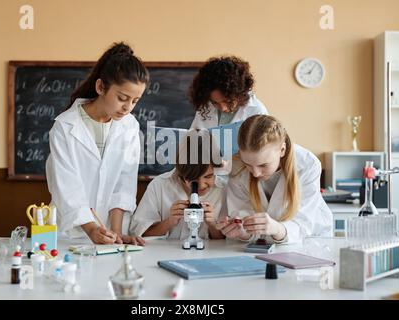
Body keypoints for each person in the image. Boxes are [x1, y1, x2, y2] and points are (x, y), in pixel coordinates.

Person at [46, 42, 149, 245]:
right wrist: (92, 229)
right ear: (101, 87)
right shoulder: (65, 127)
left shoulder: (129, 126)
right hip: (69, 234)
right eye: (122, 98)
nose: (127, 107)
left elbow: (124, 184)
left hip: (109, 232)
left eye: (135, 101)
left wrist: (116, 232)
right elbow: (67, 187)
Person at [217, 115, 332, 243]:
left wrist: (277, 229)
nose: (255, 173)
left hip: (312, 241)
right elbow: (244, 217)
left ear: (282, 150)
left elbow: (303, 224)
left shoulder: (307, 164)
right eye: (248, 165)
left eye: (263, 165)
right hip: (261, 247)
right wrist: (242, 232)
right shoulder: (237, 168)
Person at [130, 130, 226, 240]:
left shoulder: (224, 189)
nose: (201, 185)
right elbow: (138, 234)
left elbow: (227, 243)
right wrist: (169, 222)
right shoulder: (159, 185)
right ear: (181, 172)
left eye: (208, 176)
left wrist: (212, 224)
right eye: (193, 179)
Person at [189, 56, 268, 130]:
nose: (223, 108)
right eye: (215, 102)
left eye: (228, 101)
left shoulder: (257, 112)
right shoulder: (206, 108)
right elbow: (192, 139)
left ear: (240, 94)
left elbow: (263, 143)